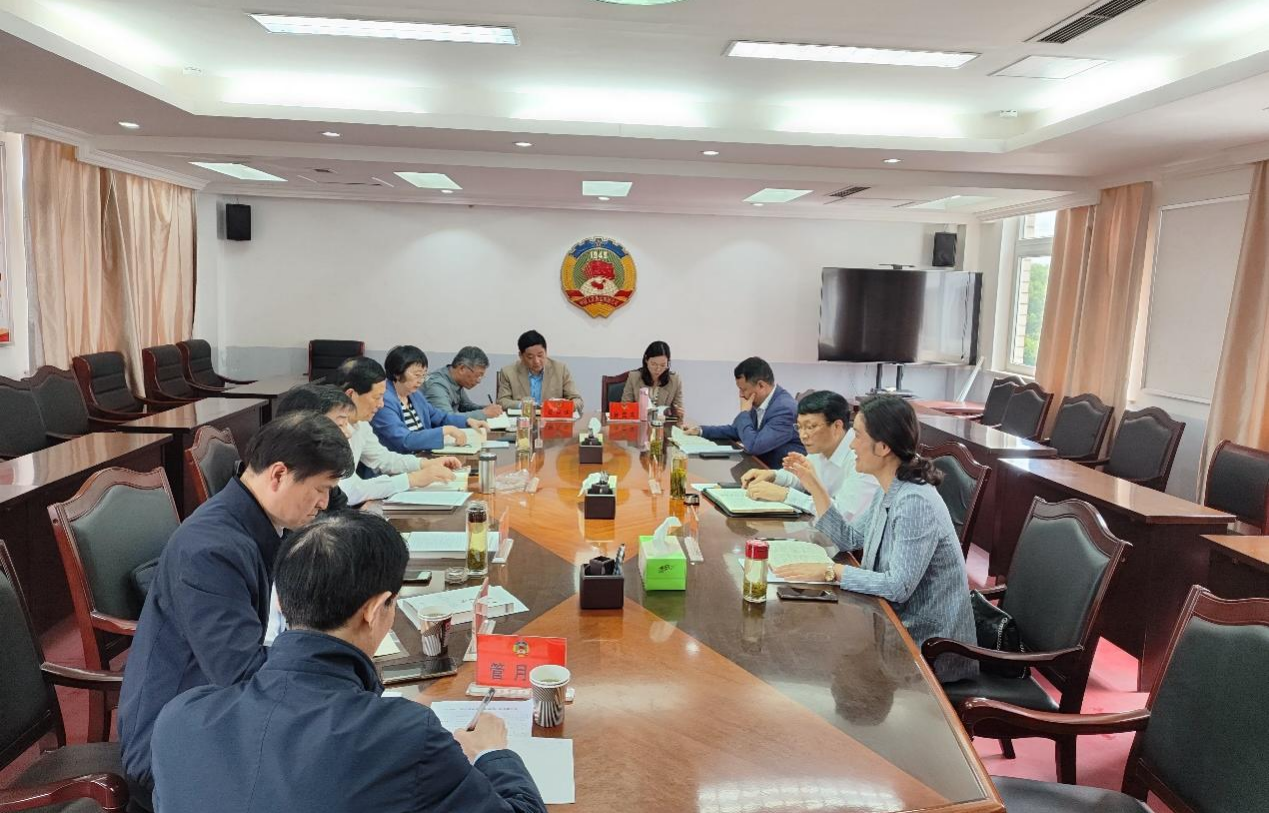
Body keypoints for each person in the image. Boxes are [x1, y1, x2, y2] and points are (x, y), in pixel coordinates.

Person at [150, 511, 548, 813]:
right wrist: (493, 753)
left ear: (279, 602)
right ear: (375, 610)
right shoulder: (405, 736)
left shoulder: (179, 720)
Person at [118, 413, 355, 809]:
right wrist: (335, 667)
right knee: (344, 771)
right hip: (174, 745)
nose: (324, 503)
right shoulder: (211, 551)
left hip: (222, 711)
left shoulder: (258, 526)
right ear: (278, 475)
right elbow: (242, 675)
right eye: (321, 489)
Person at [772, 395, 977, 683]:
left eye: (857, 436)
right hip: (889, 625)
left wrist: (831, 572)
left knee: (818, 647)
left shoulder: (914, 501)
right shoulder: (889, 487)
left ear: (883, 447)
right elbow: (850, 537)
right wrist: (814, 486)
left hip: (926, 648)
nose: (851, 445)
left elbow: (898, 586)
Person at [332, 357, 461, 505]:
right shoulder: (328, 429)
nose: (381, 404)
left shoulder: (361, 423)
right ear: (350, 395)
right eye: (377, 397)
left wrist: (424, 464)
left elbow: (383, 459)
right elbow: (348, 492)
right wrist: (412, 479)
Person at [740, 390, 878, 519]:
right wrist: (773, 475)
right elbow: (803, 479)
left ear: (837, 426)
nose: (803, 435)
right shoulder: (822, 446)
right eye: (799, 427)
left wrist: (786, 495)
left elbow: (844, 515)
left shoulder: (861, 455)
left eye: (810, 427)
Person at [681, 357, 804, 468]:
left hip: (779, 474)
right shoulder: (761, 401)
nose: (741, 395)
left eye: (743, 389)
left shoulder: (784, 410)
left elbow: (754, 446)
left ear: (761, 385)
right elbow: (736, 430)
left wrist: (744, 413)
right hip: (760, 466)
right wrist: (701, 430)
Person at [372, 345, 488, 453]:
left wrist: (468, 421)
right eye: (417, 375)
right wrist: (444, 431)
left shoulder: (415, 395)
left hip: (421, 457)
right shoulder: (383, 400)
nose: (421, 381)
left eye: (423, 375)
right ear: (397, 373)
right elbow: (404, 440)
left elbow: (440, 417)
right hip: (398, 462)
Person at [495, 329, 583, 411]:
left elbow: (577, 400)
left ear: (546, 352)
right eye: (530, 357)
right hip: (522, 420)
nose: (536, 361)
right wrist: (523, 405)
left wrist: (561, 406)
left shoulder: (560, 370)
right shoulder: (508, 372)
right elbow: (502, 401)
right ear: (521, 356)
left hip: (552, 419)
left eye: (540, 355)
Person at [424, 345, 504, 420]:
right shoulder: (437, 385)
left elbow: (466, 406)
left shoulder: (455, 380)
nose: (479, 381)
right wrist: (484, 413)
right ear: (462, 369)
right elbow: (446, 418)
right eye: (478, 375)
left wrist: (487, 409)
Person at [618, 340, 684, 417]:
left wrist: (677, 412)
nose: (658, 369)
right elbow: (625, 406)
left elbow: (679, 411)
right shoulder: (634, 377)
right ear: (646, 360)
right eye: (654, 364)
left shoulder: (675, 380)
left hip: (664, 424)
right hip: (639, 422)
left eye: (663, 365)